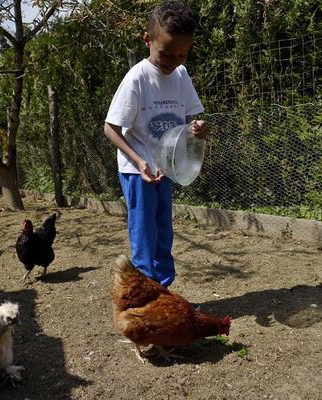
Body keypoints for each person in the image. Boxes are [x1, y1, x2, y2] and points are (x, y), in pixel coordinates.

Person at [104, 0, 209, 287]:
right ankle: (144, 293)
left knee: (164, 230)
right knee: (144, 233)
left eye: (182, 54)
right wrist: (138, 161)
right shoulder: (137, 78)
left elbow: (190, 119)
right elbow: (110, 128)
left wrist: (198, 128)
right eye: (166, 54)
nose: (173, 61)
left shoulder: (180, 75)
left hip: (166, 168)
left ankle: (162, 289)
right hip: (138, 172)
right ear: (147, 40)